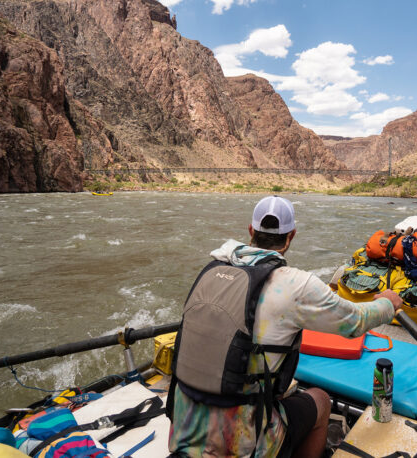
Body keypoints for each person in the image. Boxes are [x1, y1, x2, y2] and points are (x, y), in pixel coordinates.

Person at [168, 195, 402, 458]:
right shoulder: (296, 285)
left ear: (250, 231)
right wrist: (387, 305)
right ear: (291, 235)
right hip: (242, 443)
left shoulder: (212, 269)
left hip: (183, 430)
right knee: (321, 401)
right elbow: (356, 322)